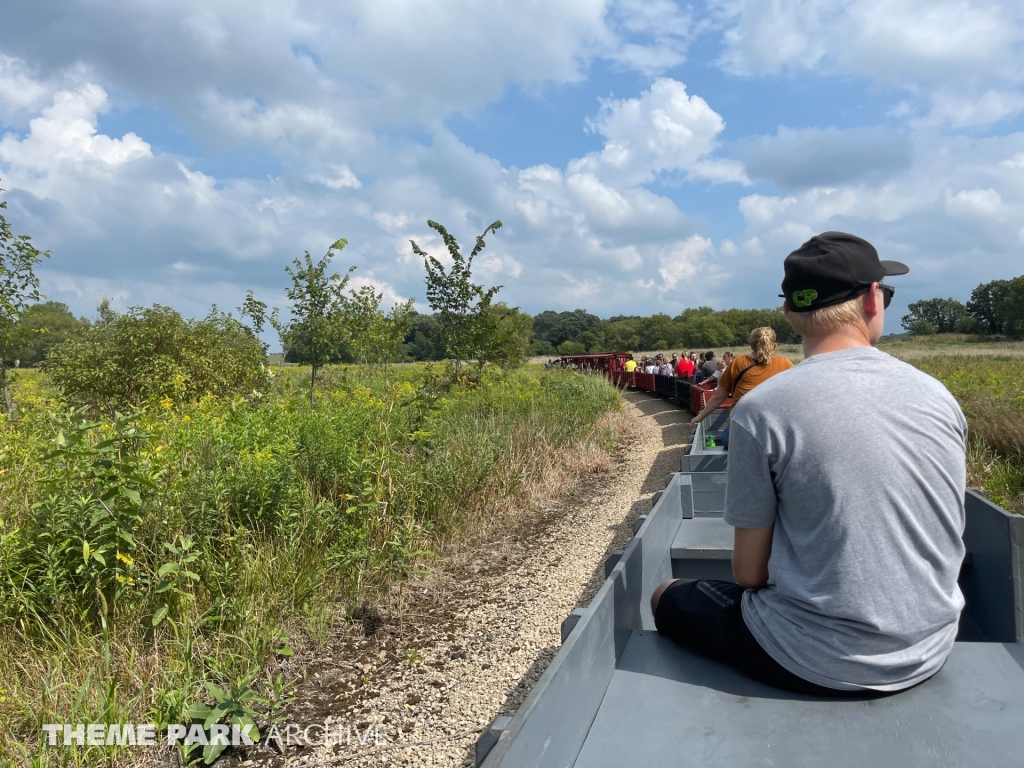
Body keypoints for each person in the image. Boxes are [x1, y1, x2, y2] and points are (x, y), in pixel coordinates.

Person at [652, 231, 966, 697]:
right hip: (930, 648)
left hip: (807, 658)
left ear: (789, 313)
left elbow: (749, 575)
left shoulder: (761, 411)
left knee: (664, 594)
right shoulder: (938, 396)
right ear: (873, 298)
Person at [690, 327, 794, 447]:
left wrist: (699, 417)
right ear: (774, 346)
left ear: (751, 345)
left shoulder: (739, 362)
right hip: (774, 434)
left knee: (727, 436)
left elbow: (718, 397)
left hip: (740, 433)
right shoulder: (785, 363)